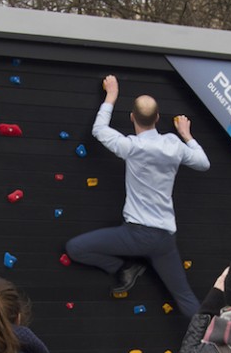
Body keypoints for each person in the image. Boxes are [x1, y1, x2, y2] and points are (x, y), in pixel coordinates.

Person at [65, 74, 210, 316]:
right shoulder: (174, 144)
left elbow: (99, 129)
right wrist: (187, 135)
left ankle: (123, 268)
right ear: (157, 118)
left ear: (132, 117)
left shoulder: (131, 146)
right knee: (185, 297)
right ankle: (212, 338)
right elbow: (203, 163)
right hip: (165, 239)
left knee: (75, 248)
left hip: (136, 235)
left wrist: (111, 95)